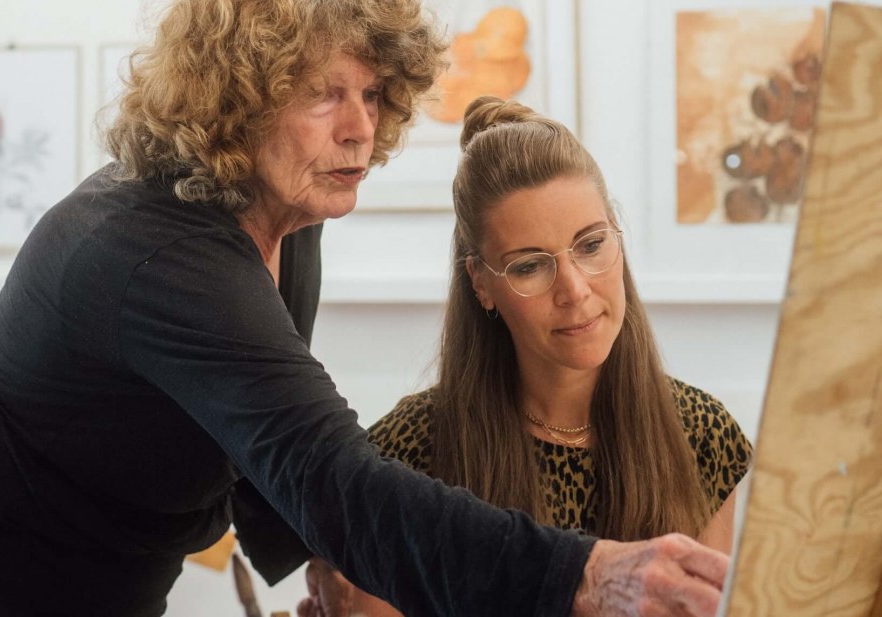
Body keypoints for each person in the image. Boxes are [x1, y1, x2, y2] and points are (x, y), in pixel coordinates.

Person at [0, 1, 730, 615]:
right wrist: (587, 573)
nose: (359, 128)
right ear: (237, 98)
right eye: (322, 95)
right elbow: (335, 475)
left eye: (373, 93)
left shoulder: (282, 212)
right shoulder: (164, 255)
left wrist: (320, 557)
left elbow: (250, 425)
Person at [297, 97, 753, 617]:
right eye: (530, 266)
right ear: (481, 283)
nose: (575, 290)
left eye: (590, 245)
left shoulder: (705, 436)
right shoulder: (404, 458)